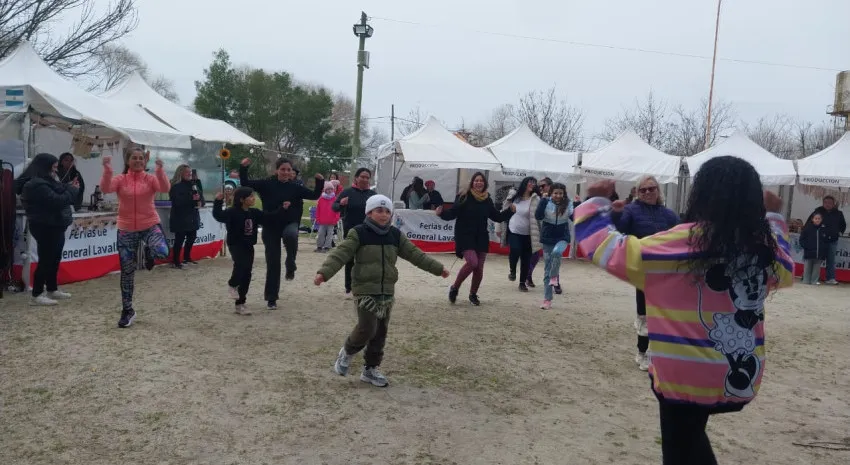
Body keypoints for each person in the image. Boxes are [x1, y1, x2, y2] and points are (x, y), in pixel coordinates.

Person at [575, 156, 793, 464]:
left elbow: (605, 248)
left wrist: (594, 201)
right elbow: (786, 266)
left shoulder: (675, 245)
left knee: (679, 449)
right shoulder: (761, 250)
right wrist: (773, 216)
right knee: (690, 441)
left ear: (699, 194)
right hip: (738, 376)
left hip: (682, 378)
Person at [315, 195, 450, 387]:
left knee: (380, 332)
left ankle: (370, 369)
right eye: (379, 210)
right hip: (365, 290)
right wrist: (324, 273)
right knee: (367, 328)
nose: (384, 215)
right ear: (369, 213)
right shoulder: (358, 233)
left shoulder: (395, 235)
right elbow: (341, 253)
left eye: (387, 211)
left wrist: (438, 269)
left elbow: (415, 254)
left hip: (386, 291)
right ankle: (347, 352)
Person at [610, 175, 680, 371]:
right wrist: (615, 214)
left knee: (663, 314)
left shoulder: (669, 215)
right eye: (643, 190)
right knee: (645, 313)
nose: (648, 192)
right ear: (637, 193)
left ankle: (657, 352)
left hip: (667, 271)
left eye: (652, 189)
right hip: (643, 270)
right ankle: (642, 351)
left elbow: (681, 236)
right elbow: (619, 229)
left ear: (658, 191)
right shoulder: (631, 210)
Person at [239, 157, 324, 309]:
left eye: (288, 170)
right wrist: (243, 168)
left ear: (292, 172)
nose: (285, 172)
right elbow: (245, 183)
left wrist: (319, 182)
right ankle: (271, 298)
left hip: (289, 223)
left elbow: (314, 195)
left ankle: (290, 263)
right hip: (270, 225)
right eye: (283, 169)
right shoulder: (266, 184)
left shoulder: (296, 187)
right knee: (273, 262)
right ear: (276, 170)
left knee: (291, 235)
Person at [100, 147, 171, 328]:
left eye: (141, 158)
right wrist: (107, 169)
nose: (138, 161)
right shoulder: (120, 179)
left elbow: (165, 188)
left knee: (162, 252)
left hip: (149, 225)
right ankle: (127, 310)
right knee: (127, 272)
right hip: (126, 229)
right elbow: (106, 188)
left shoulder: (150, 179)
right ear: (127, 161)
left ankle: (149, 249)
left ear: (145, 161)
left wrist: (160, 170)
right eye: (134, 158)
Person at [437, 172, 512, 306]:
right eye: (476, 180)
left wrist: (510, 211)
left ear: (485, 184)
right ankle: (455, 287)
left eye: (481, 181)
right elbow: (452, 213)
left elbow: (496, 217)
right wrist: (441, 213)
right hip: (465, 235)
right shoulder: (464, 196)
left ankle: (473, 294)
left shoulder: (487, 199)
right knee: (472, 262)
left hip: (481, 236)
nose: (478, 183)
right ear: (472, 182)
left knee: (479, 269)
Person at [14, 153, 79, 306]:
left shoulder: (45, 181)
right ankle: (36, 294)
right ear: (46, 166)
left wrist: (69, 187)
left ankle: (52, 288)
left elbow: (60, 191)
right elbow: (57, 201)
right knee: (46, 259)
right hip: (45, 226)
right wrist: (72, 191)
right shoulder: (36, 184)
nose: (56, 170)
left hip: (55, 225)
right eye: (54, 167)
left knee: (54, 258)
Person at [213, 186, 282, 315]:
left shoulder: (254, 212)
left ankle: (241, 303)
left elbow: (270, 217)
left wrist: (282, 209)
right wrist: (217, 202)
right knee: (240, 265)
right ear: (242, 199)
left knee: (247, 274)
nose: (253, 198)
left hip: (248, 245)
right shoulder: (232, 212)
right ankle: (232, 284)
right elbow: (218, 216)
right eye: (250, 196)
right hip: (235, 244)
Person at [333, 168, 376, 298]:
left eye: (367, 177)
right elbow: (334, 207)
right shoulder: (347, 192)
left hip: (369, 231)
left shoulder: (373, 195)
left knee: (367, 260)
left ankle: (365, 287)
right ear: (356, 178)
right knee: (350, 260)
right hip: (351, 230)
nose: (365, 179)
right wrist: (341, 203)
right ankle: (349, 288)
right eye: (362, 177)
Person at [534, 182, 573, 310]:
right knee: (547, 269)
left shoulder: (568, 203)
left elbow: (574, 217)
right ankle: (547, 299)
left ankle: (555, 276)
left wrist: (579, 206)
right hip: (548, 238)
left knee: (557, 253)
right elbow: (538, 216)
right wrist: (542, 202)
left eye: (560, 193)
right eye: (555, 193)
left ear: (564, 194)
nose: (558, 195)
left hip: (562, 237)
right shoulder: (545, 202)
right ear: (551, 193)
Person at [502, 176, 540, 291]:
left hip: (529, 233)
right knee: (515, 249)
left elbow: (540, 215)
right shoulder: (514, 197)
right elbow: (503, 211)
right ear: (524, 183)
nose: (532, 184)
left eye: (534, 183)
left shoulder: (536, 199)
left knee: (526, 258)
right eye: (530, 182)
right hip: (514, 230)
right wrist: (499, 228)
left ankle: (522, 282)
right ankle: (512, 270)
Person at [169, 164, 205, 269]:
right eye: (187, 172)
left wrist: (200, 201)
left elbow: (201, 198)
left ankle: (187, 257)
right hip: (180, 217)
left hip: (193, 216)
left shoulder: (193, 185)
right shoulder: (175, 186)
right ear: (180, 173)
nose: (189, 174)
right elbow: (177, 202)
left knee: (192, 237)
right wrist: (191, 199)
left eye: (190, 172)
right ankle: (176, 261)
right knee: (179, 239)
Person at [807, 196, 846, 285]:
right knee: (816, 259)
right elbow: (810, 223)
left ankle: (830, 278)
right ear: (823, 203)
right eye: (826, 202)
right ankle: (811, 278)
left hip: (832, 240)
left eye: (830, 203)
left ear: (833, 204)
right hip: (819, 240)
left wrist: (839, 232)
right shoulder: (817, 211)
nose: (828, 204)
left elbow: (843, 225)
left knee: (831, 260)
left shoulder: (839, 213)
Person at [526, 176, 553, 285]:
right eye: (539, 186)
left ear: (550, 186)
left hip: (551, 231)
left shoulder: (556, 197)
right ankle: (528, 276)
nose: (540, 188)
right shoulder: (537, 198)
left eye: (543, 186)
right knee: (535, 255)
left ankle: (555, 282)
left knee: (552, 258)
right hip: (537, 230)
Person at [800, 212, 827, 285]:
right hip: (809, 253)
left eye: (819, 219)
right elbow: (801, 239)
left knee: (816, 269)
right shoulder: (807, 228)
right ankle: (806, 281)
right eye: (816, 218)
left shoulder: (824, 229)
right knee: (807, 268)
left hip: (819, 254)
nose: (817, 220)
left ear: (821, 219)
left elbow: (826, 241)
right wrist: (806, 246)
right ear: (812, 219)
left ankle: (814, 281)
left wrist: (824, 251)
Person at [315, 183, 340, 252]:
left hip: (331, 221)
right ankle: (319, 246)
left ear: (333, 190)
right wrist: (317, 218)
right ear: (325, 190)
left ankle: (327, 247)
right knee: (320, 233)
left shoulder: (335, 199)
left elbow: (337, 210)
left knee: (330, 234)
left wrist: (336, 218)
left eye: (331, 189)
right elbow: (318, 209)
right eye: (328, 189)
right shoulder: (321, 199)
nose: (329, 190)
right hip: (322, 221)